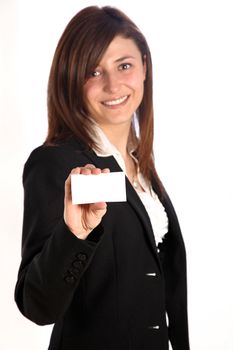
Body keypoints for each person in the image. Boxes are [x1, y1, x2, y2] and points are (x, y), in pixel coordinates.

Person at [15, 6, 190, 350]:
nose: (113, 85)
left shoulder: (141, 164)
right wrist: (74, 235)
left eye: (124, 66)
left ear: (144, 68)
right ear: (71, 79)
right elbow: (37, 305)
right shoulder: (54, 162)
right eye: (93, 72)